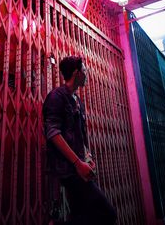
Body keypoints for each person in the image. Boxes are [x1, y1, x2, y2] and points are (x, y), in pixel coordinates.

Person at [43, 55, 117, 225]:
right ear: (76, 73)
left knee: (80, 214)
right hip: (68, 169)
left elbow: (79, 136)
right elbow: (52, 132)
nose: (87, 74)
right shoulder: (57, 96)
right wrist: (77, 163)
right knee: (108, 214)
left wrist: (88, 157)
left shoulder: (78, 101)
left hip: (79, 167)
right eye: (85, 71)